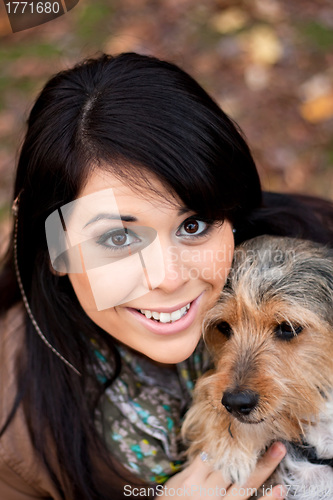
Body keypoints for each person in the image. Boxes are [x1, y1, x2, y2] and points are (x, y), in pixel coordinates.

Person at [0, 52, 332, 500]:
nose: (169, 278)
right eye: (117, 239)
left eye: (192, 225)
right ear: (54, 250)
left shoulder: (315, 246)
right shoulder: (11, 428)